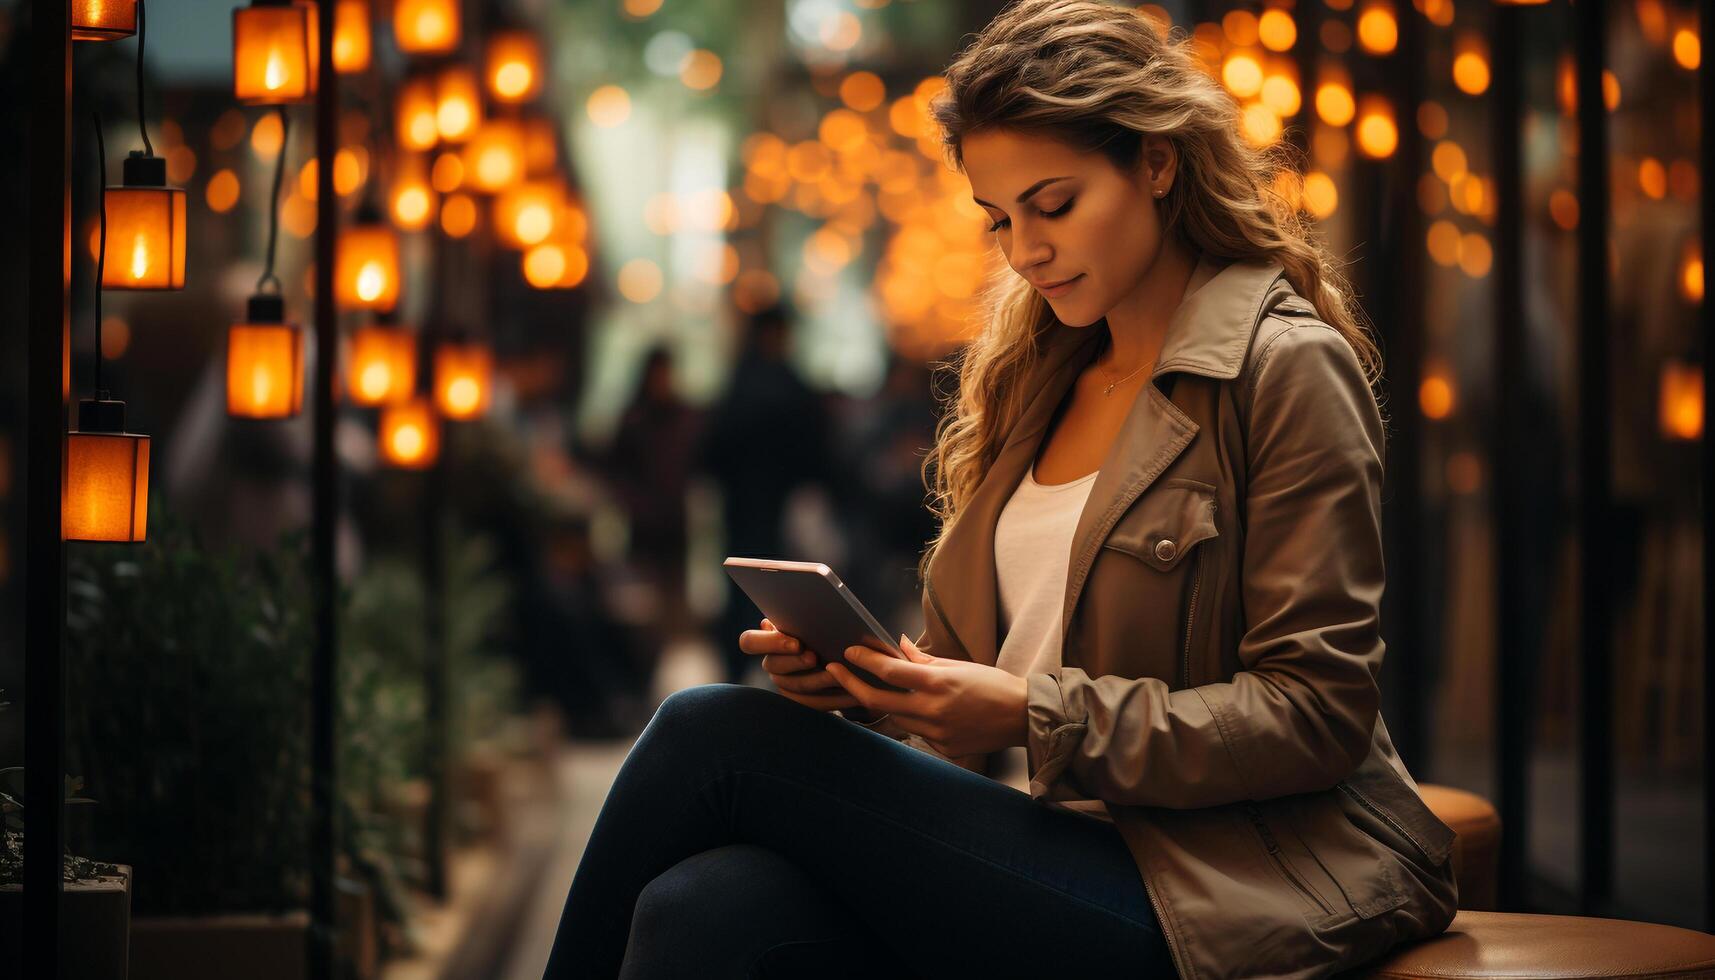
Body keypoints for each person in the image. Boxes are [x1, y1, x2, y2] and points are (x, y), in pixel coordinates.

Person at [543, 2, 1459, 976]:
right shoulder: (1038, 378)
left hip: (1208, 884)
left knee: (703, 732)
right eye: (999, 217)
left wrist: (1030, 715)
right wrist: (868, 691)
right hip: (1024, 842)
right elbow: (978, 673)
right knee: (700, 908)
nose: (1023, 249)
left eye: (1052, 204)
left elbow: (1314, 713)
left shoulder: (1280, 370)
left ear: (1156, 164)